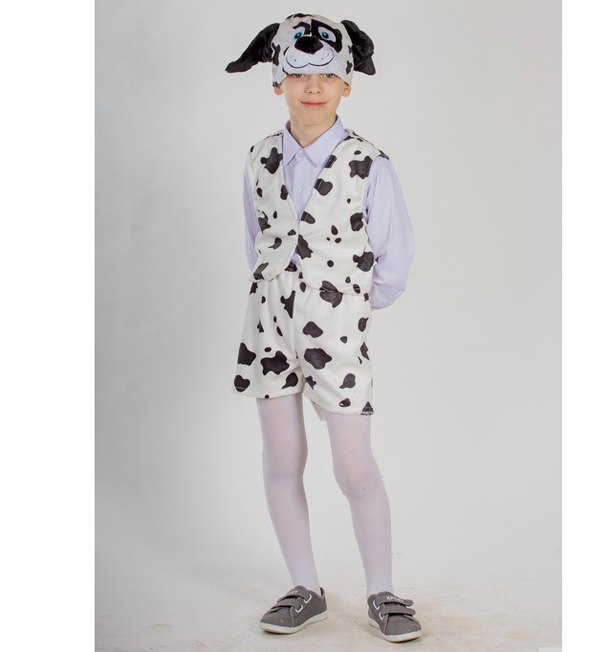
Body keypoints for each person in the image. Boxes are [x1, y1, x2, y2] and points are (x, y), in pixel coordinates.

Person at [226, 13, 420, 643]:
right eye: (299, 73)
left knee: (355, 468)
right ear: (277, 80)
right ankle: (304, 587)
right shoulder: (258, 159)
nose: (313, 86)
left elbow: (393, 262)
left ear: (347, 83)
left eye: (328, 75)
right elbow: (258, 243)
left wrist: (344, 312)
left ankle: (382, 591)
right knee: (282, 458)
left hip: (336, 335)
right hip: (269, 332)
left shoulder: (370, 164)